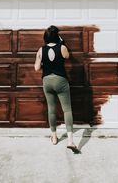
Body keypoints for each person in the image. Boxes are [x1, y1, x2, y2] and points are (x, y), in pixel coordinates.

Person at [34, 25, 79, 153]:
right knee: (67, 110)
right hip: (61, 80)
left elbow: (36, 68)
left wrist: (40, 60)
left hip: (47, 81)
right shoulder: (63, 47)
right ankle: (70, 141)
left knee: (51, 110)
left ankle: (54, 137)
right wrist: (62, 42)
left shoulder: (41, 50)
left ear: (45, 37)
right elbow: (67, 56)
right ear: (57, 36)